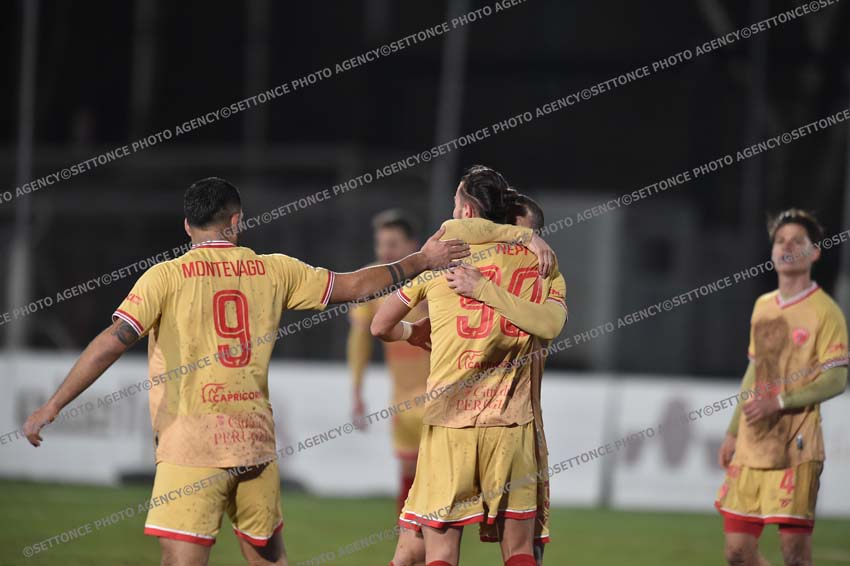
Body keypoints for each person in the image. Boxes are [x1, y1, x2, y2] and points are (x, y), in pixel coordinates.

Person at [22, 177, 471, 566]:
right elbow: (355, 285)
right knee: (268, 558)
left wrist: (54, 404)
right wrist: (420, 260)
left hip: (191, 448)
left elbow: (111, 343)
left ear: (187, 226)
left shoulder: (165, 277)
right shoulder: (274, 269)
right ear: (236, 221)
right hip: (254, 444)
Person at [372, 166, 567, 566]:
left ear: (466, 209)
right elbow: (550, 325)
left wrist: (413, 332)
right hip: (511, 425)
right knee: (520, 550)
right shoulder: (541, 265)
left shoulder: (442, 258)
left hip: (447, 423)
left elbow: (379, 325)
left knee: (430, 550)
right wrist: (526, 239)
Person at [715, 209, 848, 566]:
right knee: (737, 552)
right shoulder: (763, 306)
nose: (786, 247)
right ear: (772, 251)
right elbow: (754, 370)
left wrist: (780, 401)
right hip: (753, 442)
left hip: (797, 445)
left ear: (814, 252)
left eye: (797, 241)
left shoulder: (826, 312)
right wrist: (733, 431)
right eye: (780, 241)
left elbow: (837, 378)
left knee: (794, 554)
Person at [347, 210, 431, 513]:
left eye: (393, 244)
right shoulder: (371, 282)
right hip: (403, 402)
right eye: (381, 243)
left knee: (444, 478)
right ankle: (408, 539)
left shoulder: (435, 279)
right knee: (408, 475)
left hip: (445, 396)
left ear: (413, 245)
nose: (385, 251)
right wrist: (357, 393)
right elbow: (359, 343)